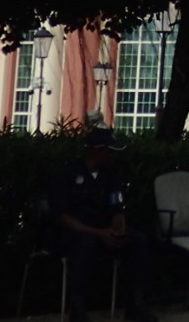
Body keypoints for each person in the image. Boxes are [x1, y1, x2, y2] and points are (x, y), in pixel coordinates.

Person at [48, 124, 159, 322]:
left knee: (138, 242)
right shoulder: (67, 174)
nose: (112, 157)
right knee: (85, 244)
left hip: (104, 234)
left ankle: (135, 306)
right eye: (109, 152)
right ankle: (78, 309)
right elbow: (61, 215)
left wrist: (118, 232)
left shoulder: (111, 176)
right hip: (74, 235)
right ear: (96, 151)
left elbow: (117, 209)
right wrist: (97, 233)